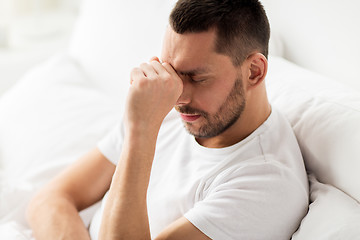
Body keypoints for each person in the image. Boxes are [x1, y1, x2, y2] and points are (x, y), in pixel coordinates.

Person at [26, 0, 309, 239]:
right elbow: (49, 199)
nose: (177, 95)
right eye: (172, 72)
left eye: (197, 78)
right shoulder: (168, 105)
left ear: (254, 72)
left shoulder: (266, 183)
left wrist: (141, 130)